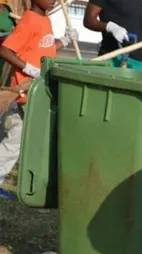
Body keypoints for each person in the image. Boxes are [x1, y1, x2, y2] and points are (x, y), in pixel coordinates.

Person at [0, 0, 77, 199]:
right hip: (28, 92)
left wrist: (65, 41)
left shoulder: (45, 20)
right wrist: (28, 69)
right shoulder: (30, 20)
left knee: (15, 141)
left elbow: (43, 50)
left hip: (37, 91)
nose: (52, 0)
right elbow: (5, 50)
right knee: (21, 143)